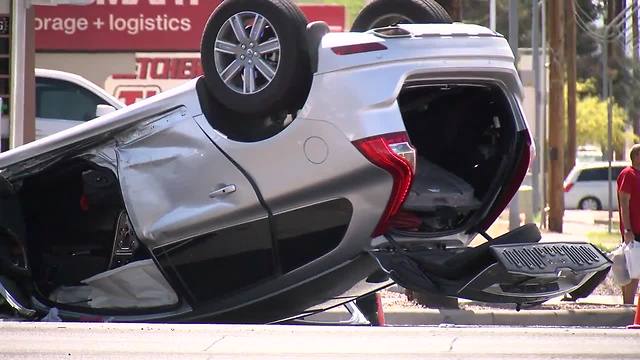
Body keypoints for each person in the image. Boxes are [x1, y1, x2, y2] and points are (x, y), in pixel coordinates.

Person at [617, 144, 640, 304]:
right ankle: (628, 305)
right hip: (633, 230)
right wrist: (627, 229)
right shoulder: (628, 174)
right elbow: (624, 203)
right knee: (633, 270)